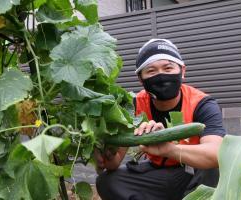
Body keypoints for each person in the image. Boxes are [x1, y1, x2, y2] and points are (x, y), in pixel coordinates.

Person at [94, 38, 226, 200]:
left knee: (211, 167)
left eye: (168, 68)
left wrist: (170, 150)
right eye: (151, 71)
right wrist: (104, 154)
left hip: (195, 174)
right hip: (159, 174)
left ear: (182, 71)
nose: (161, 75)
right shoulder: (133, 105)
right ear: (141, 79)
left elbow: (215, 154)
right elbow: (114, 162)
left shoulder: (202, 103)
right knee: (108, 181)